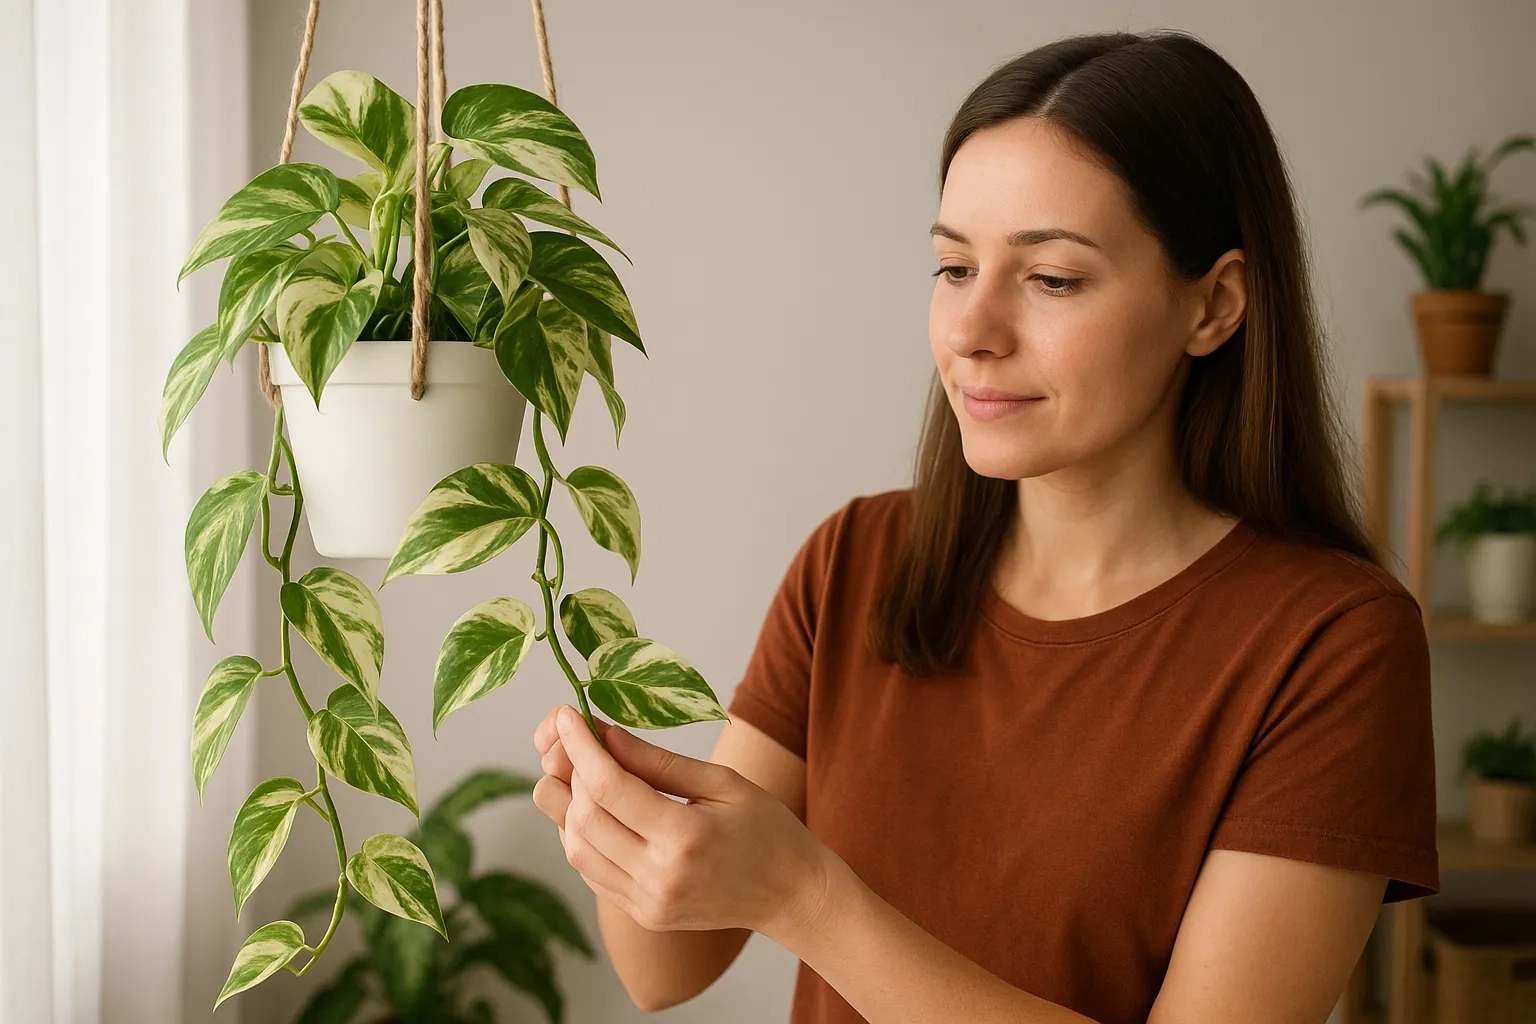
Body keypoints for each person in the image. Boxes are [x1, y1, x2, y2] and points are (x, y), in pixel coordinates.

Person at [530, 27, 1439, 1024]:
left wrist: (808, 898)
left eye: (1051, 279)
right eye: (954, 268)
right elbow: (664, 972)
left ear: (1213, 305)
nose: (971, 331)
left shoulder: (1333, 643)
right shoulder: (856, 564)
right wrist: (618, 827)